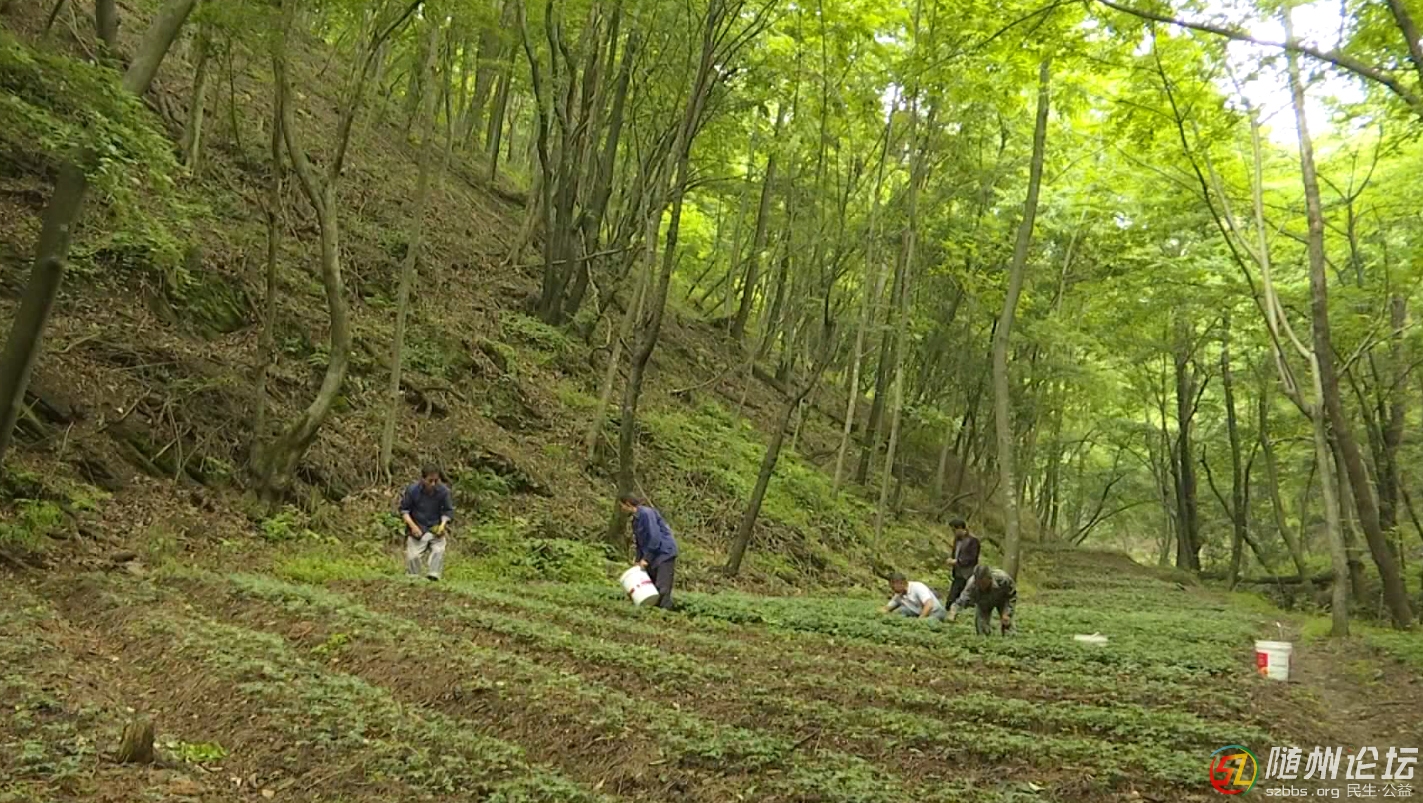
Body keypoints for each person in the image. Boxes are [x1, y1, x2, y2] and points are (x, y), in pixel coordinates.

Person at [619, 494, 678, 610]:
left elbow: (654, 537)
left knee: (662, 587)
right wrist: (638, 560)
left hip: (663, 553)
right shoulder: (635, 520)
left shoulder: (647, 514)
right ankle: (652, 611)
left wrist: (646, 559)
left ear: (628, 504)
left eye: (622, 506)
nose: (621, 509)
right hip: (652, 555)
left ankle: (666, 613)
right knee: (650, 587)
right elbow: (640, 542)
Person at [399, 464, 454, 581]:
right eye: (430, 481)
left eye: (436, 481)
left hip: (435, 527)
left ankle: (433, 576)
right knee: (413, 557)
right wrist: (413, 527)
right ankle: (413, 578)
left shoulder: (444, 491)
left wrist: (442, 526)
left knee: (438, 550)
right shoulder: (412, 490)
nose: (433, 484)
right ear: (423, 479)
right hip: (417, 526)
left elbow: (448, 511)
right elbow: (404, 511)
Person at [949, 564, 1017, 635]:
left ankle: (1010, 641)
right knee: (982, 629)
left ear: (989, 578)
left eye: (983, 583)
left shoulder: (1003, 579)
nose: (981, 586)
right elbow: (963, 599)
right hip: (983, 603)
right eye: (978, 583)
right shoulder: (971, 584)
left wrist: (1007, 613)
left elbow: (1012, 596)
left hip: (1002, 600)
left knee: (1008, 625)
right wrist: (953, 611)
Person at [881, 572, 947, 621]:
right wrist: (879, 614)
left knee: (927, 622)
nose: (892, 589)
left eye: (893, 587)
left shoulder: (917, 587)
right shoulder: (899, 594)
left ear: (901, 583)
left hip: (935, 611)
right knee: (900, 611)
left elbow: (929, 604)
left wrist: (920, 620)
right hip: (917, 611)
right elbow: (887, 607)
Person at [946, 517, 981, 607]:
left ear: (961, 528)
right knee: (950, 601)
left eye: (954, 530)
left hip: (967, 574)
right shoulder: (956, 540)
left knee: (966, 599)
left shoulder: (973, 540)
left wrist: (957, 561)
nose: (953, 532)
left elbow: (972, 558)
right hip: (958, 574)